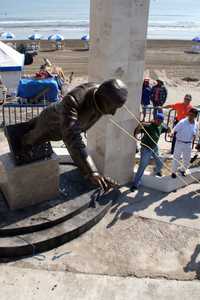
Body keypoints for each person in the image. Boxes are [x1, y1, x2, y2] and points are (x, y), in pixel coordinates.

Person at [14, 79, 128, 191]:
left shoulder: (101, 96)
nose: (113, 113)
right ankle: (21, 151)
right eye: (113, 107)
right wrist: (92, 171)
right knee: (30, 140)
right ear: (104, 99)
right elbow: (72, 139)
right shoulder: (73, 101)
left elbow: (75, 136)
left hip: (63, 126)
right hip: (49, 124)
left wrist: (90, 173)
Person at [130, 113, 169, 191]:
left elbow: (168, 130)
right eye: (158, 120)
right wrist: (140, 125)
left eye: (161, 121)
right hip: (146, 148)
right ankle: (136, 184)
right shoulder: (149, 126)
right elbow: (137, 132)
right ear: (155, 119)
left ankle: (157, 170)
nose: (159, 122)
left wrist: (168, 129)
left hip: (154, 147)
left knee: (160, 162)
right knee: (142, 165)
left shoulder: (161, 126)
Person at [171, 108, 199, 178]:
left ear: (195, 116)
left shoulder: (196, 124)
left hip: (188, 144)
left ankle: (183, 170)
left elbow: (196, 133)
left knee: (187, 159)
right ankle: (173, 172)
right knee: (176, 158)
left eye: (192, 115)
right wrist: (171, 133)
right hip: (179, 143)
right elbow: (174, 129)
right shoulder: (182, 122)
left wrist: (195, 136)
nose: (190, 116)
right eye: (189, 114)